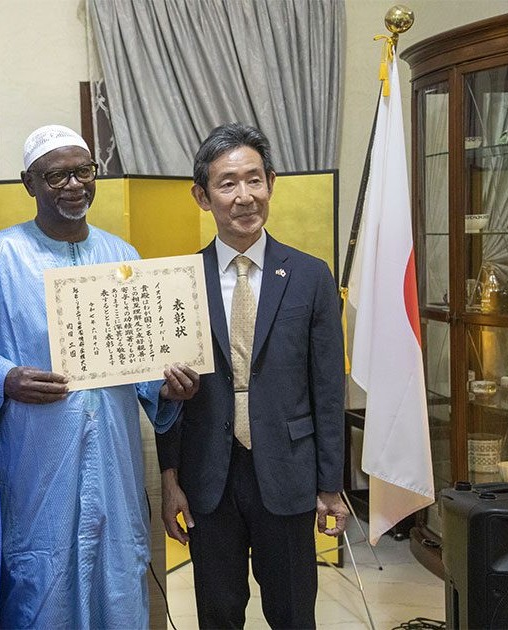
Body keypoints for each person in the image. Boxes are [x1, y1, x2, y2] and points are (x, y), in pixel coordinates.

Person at [0, 124, 199, 629]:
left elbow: (143, 365)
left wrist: (168, 388)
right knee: (38, 581)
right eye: (56, 176)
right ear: (29, 183)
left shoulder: (123, 259)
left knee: (118, 573)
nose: (74, 185)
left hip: (114, 461)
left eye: (83, 172)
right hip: (35, 463)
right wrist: (5, 377)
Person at [156, 122, 347, 629]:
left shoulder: (310, 275)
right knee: (218, 614)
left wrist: (331, 486)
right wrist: (170, 479)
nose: (245, 196)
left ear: (271, 183)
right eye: (227, 183)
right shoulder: (179, 281)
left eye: (254, 179)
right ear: (202, 196)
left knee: (293, 613)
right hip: (208, 476)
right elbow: (168, 397)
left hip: (288, 470)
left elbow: (329, 389)